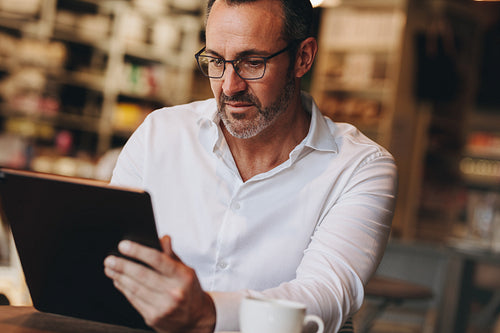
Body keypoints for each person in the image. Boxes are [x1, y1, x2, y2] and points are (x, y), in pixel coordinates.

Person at [103, 0, 398, 332]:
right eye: (216, 61)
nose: (230, 86)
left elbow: (324, 298)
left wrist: (206, 313)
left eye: (252, 62)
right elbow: (106, 257)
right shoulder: (160, 133)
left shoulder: (360, 167)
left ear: (303, 58)